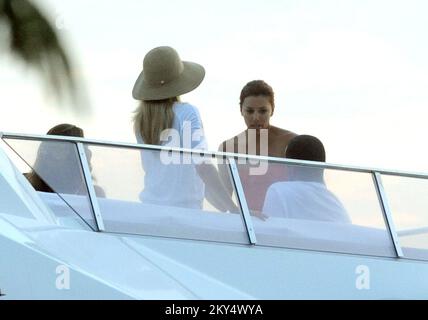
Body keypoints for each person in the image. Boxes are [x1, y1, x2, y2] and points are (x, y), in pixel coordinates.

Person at [132, 46, 237, 212]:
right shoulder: (187, 113)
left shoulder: (141, 121)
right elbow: (202, 165)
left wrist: (223, 206)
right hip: (184, 213)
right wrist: (235, 210)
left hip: (148, 210)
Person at [218, 80, 298, 213]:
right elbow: (223, 198)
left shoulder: (291, 142)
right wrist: (238, 212)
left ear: (272, 110)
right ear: (241, 111)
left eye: (262, 111)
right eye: (249, 111)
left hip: (286, 222)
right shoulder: (228, 148)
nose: (255, 118)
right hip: (248, 224)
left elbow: (307, 188)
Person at [262, 135, 351, 223]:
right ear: (322, 167)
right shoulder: (336, 205)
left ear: (291, 167)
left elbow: (269, 232)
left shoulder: (279, 191)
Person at [25, 123, 105, 197]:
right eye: (58, 149)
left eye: (84, 149)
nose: (86, 155)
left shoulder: (93, 194)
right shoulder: (25, 184)